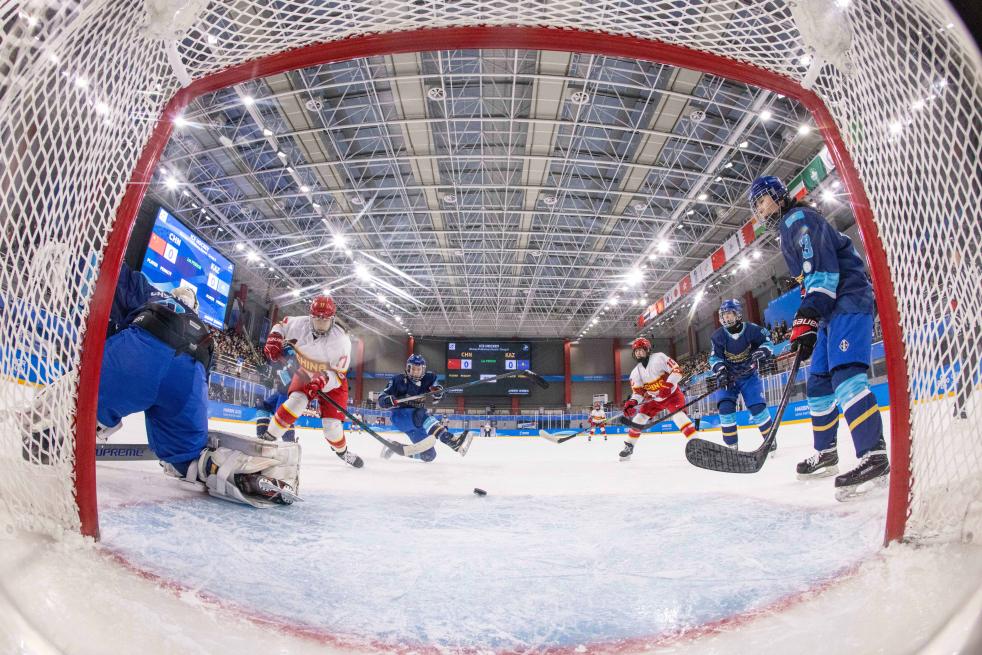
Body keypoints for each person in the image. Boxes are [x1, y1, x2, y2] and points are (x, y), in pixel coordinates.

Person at [750, 175, 889, 500]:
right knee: (818, 384)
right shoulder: (788, 230)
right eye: (756, 206)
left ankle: (875, 456)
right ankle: (826, 452)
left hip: (848, 300)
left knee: (846, 377)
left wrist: (808, 315)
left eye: (763, 200)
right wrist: (807, 322)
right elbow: (810, 282)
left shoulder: (798, 219)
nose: (761, 209)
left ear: (778, 196)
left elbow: (823, 273)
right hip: (829, 311)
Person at [259, 295, 363, 468]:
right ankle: (267, 440)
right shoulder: (298, 324)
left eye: (325, 320)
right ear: (310, 317)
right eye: (317, 319)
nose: (320, 325)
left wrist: (324, 379)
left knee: (331, 428)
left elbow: (339, 375)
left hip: (333, 383)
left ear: (332, 319)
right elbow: (281, 325)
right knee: (295, 403)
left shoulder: (341, 341)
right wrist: (274, 338)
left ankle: (343, 452)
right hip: (306, 374)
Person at [708, 298, 776, 451]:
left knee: (757, 407)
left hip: (748, 376)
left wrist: (762, 351)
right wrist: (721, 371)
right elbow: (714, 358)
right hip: (728, 378)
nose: (725, 317)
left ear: (738, 314)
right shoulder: (717, 336)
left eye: (729, 314)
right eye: (723, 314)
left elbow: (768, 342)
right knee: (725, 408)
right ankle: (732, 446)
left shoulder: (752, 329)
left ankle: (770, 440)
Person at [377, 354, 473, 460]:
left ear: (423, 369)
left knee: (429, 455)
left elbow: (439, 390)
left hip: (417, 423)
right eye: (413, 369)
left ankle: (395, 448)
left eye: (418, 369)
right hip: (401, 417)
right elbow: (382, 397)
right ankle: (452, 441)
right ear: (408, 368)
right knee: (421, 414)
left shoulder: (429, 378)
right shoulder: (397, 380)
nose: (415, 372)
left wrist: (438, 393)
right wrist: (386, 400)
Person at [620, 337, 695, 461]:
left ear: (648, 350)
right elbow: (638, 393)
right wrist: (632, 402)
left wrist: (668, 384)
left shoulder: (659, 357)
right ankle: (629, 446)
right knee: (639, 418)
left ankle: (695, 441)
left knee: (679, 416)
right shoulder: (635, 373)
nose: (638, 353)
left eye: (641, 350)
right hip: (654, 400)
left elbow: (677, 370)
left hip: (672, 396)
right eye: (636, 351)